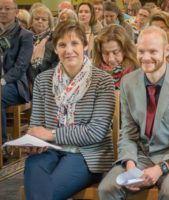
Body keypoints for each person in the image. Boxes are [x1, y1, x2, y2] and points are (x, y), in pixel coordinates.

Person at [98, 26, 169, 200]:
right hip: (141, 155)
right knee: (107, 188)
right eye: (141, 51)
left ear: (167, 50)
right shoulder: (128, 82)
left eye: (153, 51)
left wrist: (160, 168)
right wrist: (131, 165)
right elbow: (128, 134)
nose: (145, 58)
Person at [23, 21, 115, 200]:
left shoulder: (103, 81)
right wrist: (33, 141)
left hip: (86, 154)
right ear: (55, 49)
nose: (68, 50)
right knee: (35, 170)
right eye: (62, 45)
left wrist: (49, 134)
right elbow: (36, 125)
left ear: (85, 45)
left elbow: (95, 132)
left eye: (75, 43)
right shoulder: (43, 80)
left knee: (44, 194)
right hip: (47, 151)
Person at [0, 0, 33, 147]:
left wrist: (2, 81)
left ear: (16, 11)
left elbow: (21, 66)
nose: (3, 11)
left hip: (14, 86)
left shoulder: (25, 35)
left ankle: (2, 145)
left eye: (7, 8)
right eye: (0, 8)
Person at [92, 24, 137, 89]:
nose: (111, 59)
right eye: (106, 53)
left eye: (115, 53)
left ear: (125, 50)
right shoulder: (94, 72)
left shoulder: (136, 71)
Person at [27, 6, 58, 87]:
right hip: (27, 82)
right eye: (36, 19)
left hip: (48, 82)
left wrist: (44, 79)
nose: (40, 21)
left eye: (44, 19)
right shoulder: (24, 37)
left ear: (49, 22)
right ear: (31, 21)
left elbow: (57, 63)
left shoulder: (55, 38)